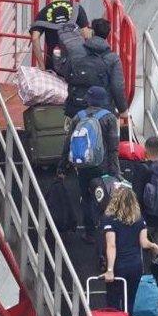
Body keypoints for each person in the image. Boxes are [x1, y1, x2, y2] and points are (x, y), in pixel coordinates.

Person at [59, 86, 120, 244]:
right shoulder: (109, 118)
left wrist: (62, 167)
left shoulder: (78, 117)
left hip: (83, 165)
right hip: (102, 165)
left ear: (89, 99)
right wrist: (115, 171)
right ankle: (106, 230)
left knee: (86, 197)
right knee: (104, 196)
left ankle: (90, 232)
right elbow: (113, 147)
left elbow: (68, 144)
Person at [102, 186, 158, 311]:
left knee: (113, 301)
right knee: (129, 301)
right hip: (135, 266)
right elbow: (144, 243)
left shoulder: (109, 220)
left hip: (119, 266)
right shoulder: (139, 219)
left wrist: (110, 270)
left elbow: (111, 246)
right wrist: (153, 245)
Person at [29, 0, 89, 69]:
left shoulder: (43, 12)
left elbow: (34, 38)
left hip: (54, 60)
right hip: (76, 58)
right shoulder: (77, 7)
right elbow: (85, 33)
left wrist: (41, 64)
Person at [84, 18, 128, 117]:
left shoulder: (80, 52)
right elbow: (117, 87)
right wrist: (123, 110)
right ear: (108, 34)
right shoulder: (113, 58)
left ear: (93, 32)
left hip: (81, 106)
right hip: (104, 109)